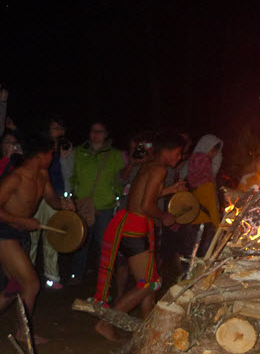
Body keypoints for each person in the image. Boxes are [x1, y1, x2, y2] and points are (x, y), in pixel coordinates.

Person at [93, 131, 183, 341]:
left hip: (129, 224)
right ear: (167, 151)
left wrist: (171, 189)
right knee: (149, 284)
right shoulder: (159, 169)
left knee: (149, 279)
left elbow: (141, 195)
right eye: (178, 153)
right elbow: (146, 205)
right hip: (135, 228)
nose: (179, 158)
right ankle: (105, 323)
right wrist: (164, 216)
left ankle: (148, 329)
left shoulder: (150, 165)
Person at [0, 136, 75, 344]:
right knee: (31, 285)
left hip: (19, 232)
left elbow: (52, 200)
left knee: (14, 287)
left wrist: (64, 204)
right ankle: (23, 333)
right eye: (51, 153)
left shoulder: (42, 175)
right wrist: (21, 220)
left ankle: (22, 331)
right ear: (41, 155)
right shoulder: (16, 178)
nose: (53, 157)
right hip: (4, 232)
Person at [69, 121, 124, 284]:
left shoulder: (114, 154)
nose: (96, 134)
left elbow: (119, 179)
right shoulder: (79, 152)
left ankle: (105, 277)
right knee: (81, 240)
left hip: (105, 206)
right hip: (83, 204)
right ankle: (77, 275)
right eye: (93, 131)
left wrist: (115, 197)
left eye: (100, 131)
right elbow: (72, 175)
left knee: (103, 244)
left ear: (106, 134)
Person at [29, 116, 74, 289]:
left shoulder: (67, 148)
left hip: (56, 196)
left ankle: (52, 276)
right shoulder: (41, 147)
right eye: (54, 128)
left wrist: (64, 157)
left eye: (60, 128)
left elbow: (68, 175)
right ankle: (27, 274)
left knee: (52, 235)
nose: (57, 131)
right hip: (38, 196)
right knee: (32, 236)